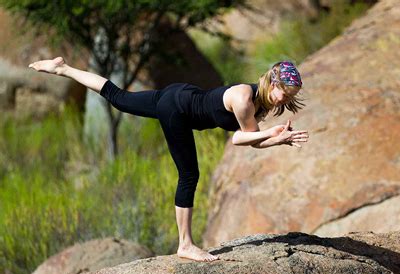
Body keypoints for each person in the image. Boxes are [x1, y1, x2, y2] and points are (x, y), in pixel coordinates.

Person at [28, 57, 309, 262]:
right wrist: (274, 135)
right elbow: (239, 139)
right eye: (283, 93)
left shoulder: (259, 101)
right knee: (189, 176)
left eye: (289, 97)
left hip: (179, 94)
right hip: (178, 111)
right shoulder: (245, 99)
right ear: (272, 81)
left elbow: (253, 141)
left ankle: (62, 68)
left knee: (119, 97)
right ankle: (185, 244)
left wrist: (278, 139)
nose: (284, 100)